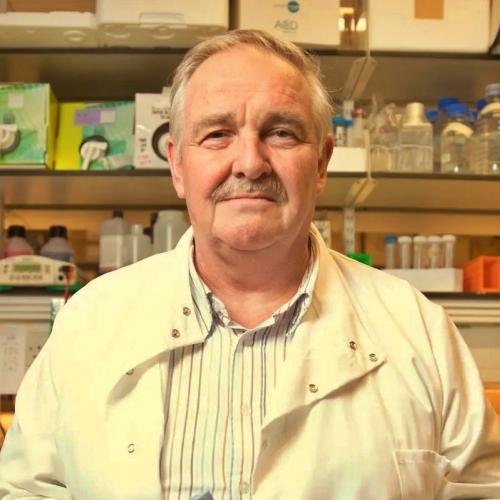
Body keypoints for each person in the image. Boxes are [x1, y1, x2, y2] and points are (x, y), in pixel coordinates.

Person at [1, 29, 499, 500]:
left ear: (321, 163)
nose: (249, 163)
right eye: (217, 134)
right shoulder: (89, 322)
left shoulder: (420, 332)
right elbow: (25, 489)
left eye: (281, 133)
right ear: (177, 165)